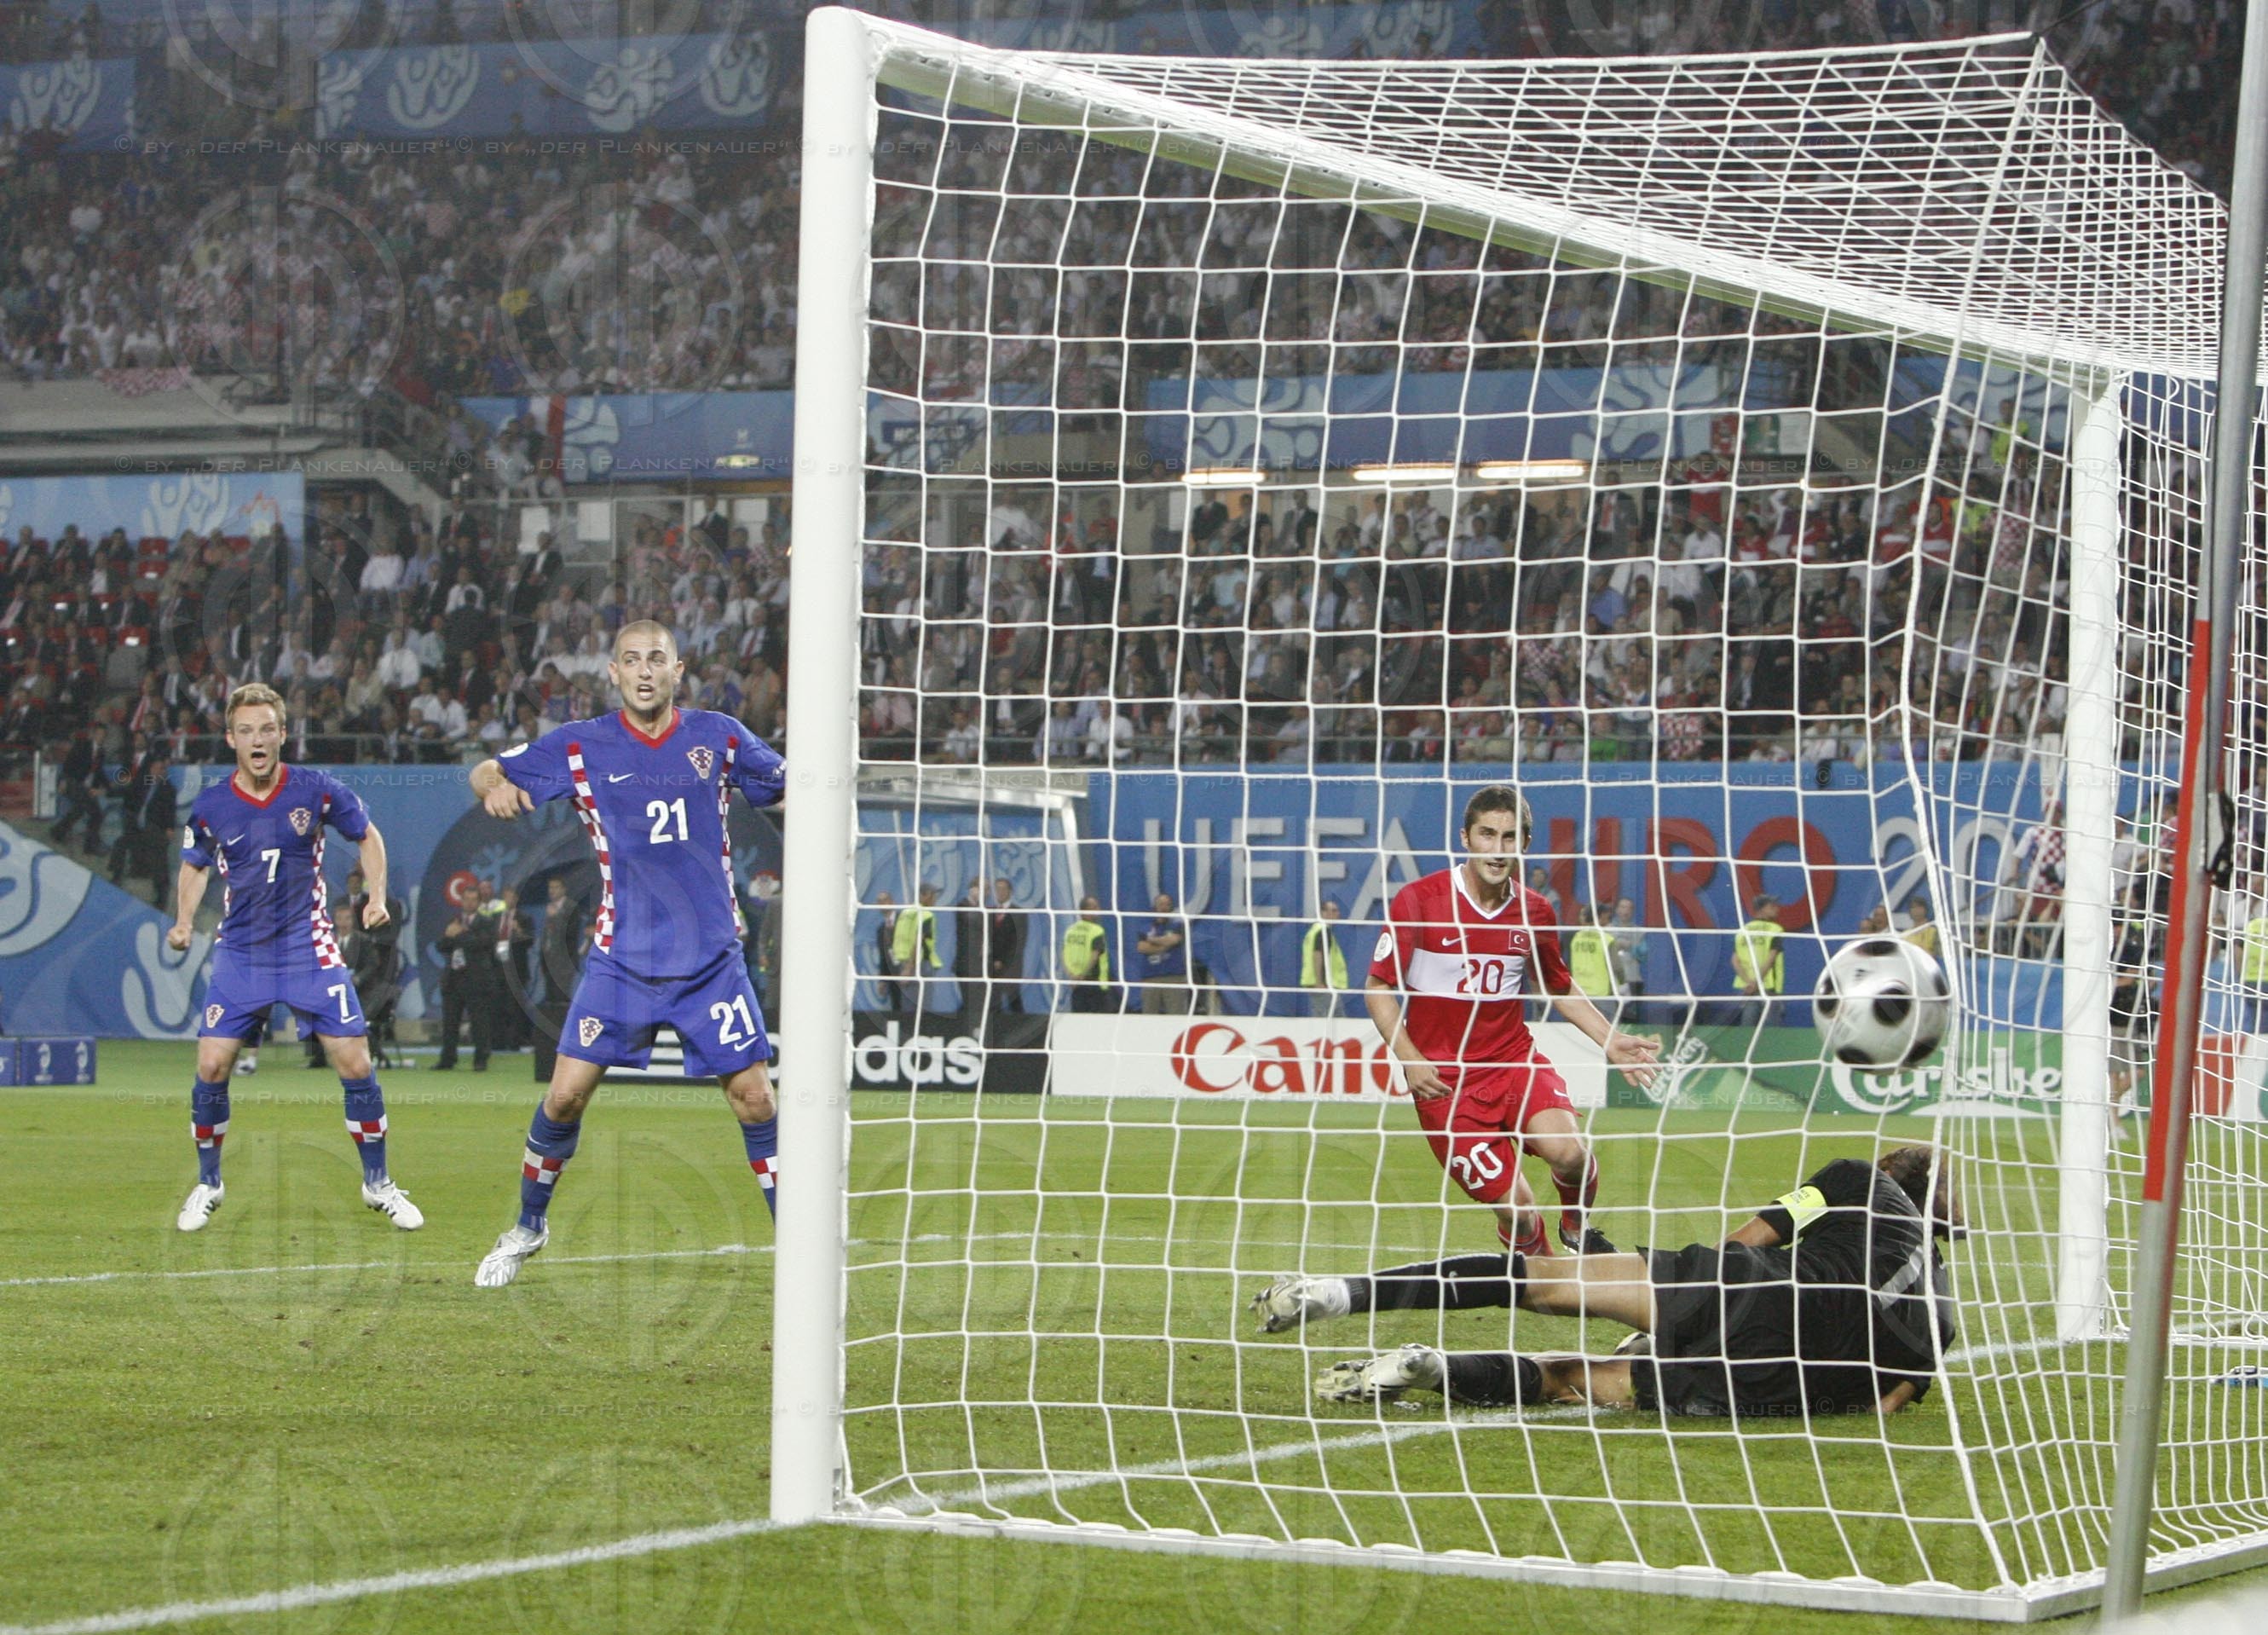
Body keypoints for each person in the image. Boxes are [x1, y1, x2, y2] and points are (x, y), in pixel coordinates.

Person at [465, 621, 786, 1287]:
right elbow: (486, 769)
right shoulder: (580, 746)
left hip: (710, 962)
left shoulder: (719, 735)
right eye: (631, 660)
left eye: (657, 660)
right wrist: (491, 785)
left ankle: (799, 1245)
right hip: (622, 961)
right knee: (564, 1098)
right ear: (612, 673)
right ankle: (527, 1227)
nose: (645, 671)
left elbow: (785, 784)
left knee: (756, 1100)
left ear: (679, 670)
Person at [1255, 1145, 1961, 1420]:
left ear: (1894, 1170)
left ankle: (1337, 1293)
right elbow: (1888, 1403)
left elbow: (1751, 1239)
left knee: (1542, 1280)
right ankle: (1435, 1368)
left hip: (1759, 1294)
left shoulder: (1856, 1182)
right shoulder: (1945, 1315)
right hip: (1792, 1385)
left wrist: (1674, 1302)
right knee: (1576, 1381)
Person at [1365, 784, 1659, 1259]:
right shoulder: (1419, 901)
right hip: (1446, 1084)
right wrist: (1409, 1059)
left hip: (1513, 1063)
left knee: (1572, 1155)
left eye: (1509, 837)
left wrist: (1610, 1038)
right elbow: (1378, 988)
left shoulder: (1535, 911)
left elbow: (1557, 985)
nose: (1497, 850)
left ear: (1524, 843)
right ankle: (1539, 1274)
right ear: (1466, 838)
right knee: (1519, 1210)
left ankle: (1576, 1228)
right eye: (1487, 835)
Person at [167, 684, 419, 1233]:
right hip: (242, 951)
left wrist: (376, 896)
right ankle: (209, 1183)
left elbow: (367, 835)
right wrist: (185, 921)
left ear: (283, 735)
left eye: (267, 729)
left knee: (355, 1063)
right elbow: (194, 863)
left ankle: (377, 1183)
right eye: (246, 731)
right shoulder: (211, 804)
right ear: (231, 739)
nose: (257, 740)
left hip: (309, 947)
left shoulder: (316, 789)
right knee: (211, 1066)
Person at [434, 878, 502, 1072]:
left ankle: (480, 1059)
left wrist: (459, 935)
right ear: (461, 901)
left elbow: (483, 944)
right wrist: (450, 936)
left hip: (476, 979)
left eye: (474, 899)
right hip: (454, 978)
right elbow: (441, 945)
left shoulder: (487, 922)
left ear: (479, 902)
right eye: (466, 899)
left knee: (479, 1022)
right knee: (450, 1022)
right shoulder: (453, 921)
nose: (469, 903)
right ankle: (447, 1059)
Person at [341, 868, 406, 1071]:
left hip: (385, 965)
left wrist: (371, 941)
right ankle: (359, 1051)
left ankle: (375, 1052)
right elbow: (357, 934)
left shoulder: (393, 906)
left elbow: (392, 935)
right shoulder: (361, 904)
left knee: (377, 1005)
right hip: (366, 966)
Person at [1731, 893, 1785, 1027]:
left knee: (1747, 1029)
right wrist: (1757, 982)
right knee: (1774, 1031)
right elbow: (1770, 959)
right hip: (1768, 987)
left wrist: (1749, 982)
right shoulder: (1775, 930)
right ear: (1761, 909)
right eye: (1771, 906)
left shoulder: (1743, 931)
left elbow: (1735, 960)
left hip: (1747, 988)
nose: (1776, 908)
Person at [1135, 892, 1192, 1014]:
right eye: (1161, 904)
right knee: (1149, 1016)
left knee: (1177, 1015)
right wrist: (1163, 945)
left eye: (1167, 905)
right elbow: (1141, 947)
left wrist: (1151, 940)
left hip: (1174, 977)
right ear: (1155, 907)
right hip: (1150, 978)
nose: (1164, 907)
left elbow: (1174, 940)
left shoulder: (1178, 925)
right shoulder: (1145, 927)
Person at [890, 882, 942, 1013]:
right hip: (919, 965)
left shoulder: (905, 913)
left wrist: (904, 967)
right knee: (922, 1009)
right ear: (925, 896)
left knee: (908, 1007)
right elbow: (919, 940)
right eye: (933, 895)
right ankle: (921, 1032)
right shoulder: (926, 915)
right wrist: (909, 968)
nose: (935, 899)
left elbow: (897, 939)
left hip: (903, 963)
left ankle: (909, 1032)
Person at [1565, 903, 1619, 1025]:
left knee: (1580, 1030)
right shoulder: (1607, 939)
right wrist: (1623, 985)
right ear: (1600, 917)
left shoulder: (1575, 937)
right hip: (1602, 993)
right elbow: (1617, 967)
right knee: (1607, 1031)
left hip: (1579, 992)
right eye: (1607, 916)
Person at [1061, 896, 1114, 1013]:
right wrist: (1082, 976)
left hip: (1076, 985)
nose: (1098, 910)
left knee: (1081, 1022)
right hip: (1095, 983)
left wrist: (1071, 976)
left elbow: (1063, 955)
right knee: (1100, 1022)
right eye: (1094, 907)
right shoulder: (1096, 930)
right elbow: (1094, 957)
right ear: (1084, 911)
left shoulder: (1070, 930)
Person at [1299, 898, 1350, 1019]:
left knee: (1325, 1017)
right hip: (1324, 985)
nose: (1338, 914)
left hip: (1321, 984)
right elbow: (1317, 955)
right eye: (1333, 910)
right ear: (1323, 913)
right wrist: (1319, 982)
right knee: (1332, 1019)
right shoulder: (1323, 931)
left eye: (1337, 911)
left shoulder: (1314, 931)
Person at [984, 876, 1025, 1018]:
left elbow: (1019, 942)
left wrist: (1002, 961)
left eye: (1003, 889)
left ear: (1010, 891)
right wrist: (991, 959)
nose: (1000, 892)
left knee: (1014, 1001)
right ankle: (996, 1032)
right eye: (997, 889)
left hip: (1011, 966)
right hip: (992, 966)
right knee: (994, 1001)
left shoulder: (1018, 913)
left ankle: (1021, 1032)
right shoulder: (990, 912)